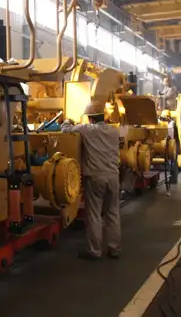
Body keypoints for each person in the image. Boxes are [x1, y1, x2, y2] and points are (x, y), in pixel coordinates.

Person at [62, 100, 121, 260]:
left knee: (94, 214)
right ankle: (114, 248)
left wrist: (68, 120)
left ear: (91, 118)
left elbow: (65, 130)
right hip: (113, 176)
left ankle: (95, 250)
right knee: (112, 213)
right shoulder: (114, 131)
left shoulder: (87, 129)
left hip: (95, 177)